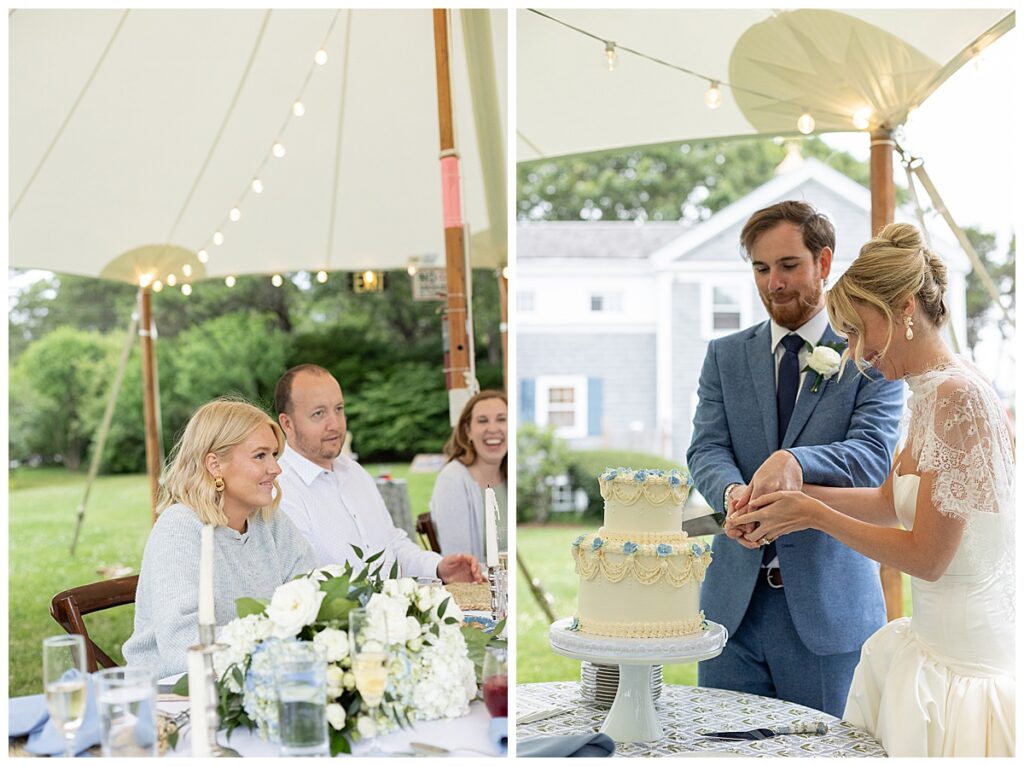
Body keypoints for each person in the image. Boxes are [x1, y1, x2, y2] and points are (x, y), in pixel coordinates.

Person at [731, 223, 1015, 756]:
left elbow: (928, 557)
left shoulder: (959, 397)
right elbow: (889, 503)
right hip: (931, 642)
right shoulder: (930, 392)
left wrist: (812, 514)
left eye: (860, 330)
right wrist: (784, 505)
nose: (858, 353)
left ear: (905, 308)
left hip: (961, 667)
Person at [686, 201, 904, 718]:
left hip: (829, 614)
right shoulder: (725, 355)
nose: (773, 284)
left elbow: (872, 458)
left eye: (788, 266)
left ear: (823, 263)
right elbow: (706, 447)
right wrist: (731, 494)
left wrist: (795, 461)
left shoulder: (869, 351)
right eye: (761, 269)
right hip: (730, 614)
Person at [124, 398, 317, 679]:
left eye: (274, 454)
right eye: (260, 456)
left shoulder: (269, 521)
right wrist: (281, 632)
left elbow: (313, 592)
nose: (276, 468)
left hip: (256, 678)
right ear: (215, 465)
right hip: (173, 695)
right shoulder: (178, 528)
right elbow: (183, 643)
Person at [274, 364, 485, 583]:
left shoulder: (354, 472)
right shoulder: (280, 491)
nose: (335, 424)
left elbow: (391, 544)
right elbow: (305, 585)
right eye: (319, 414)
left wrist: (438, 567)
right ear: (287, 424)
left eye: (339, 409)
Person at [429, 390, 508, 561]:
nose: (493, 428)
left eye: (502, 419)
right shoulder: (453, 481)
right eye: (482, 421)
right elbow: (461, 564)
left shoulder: (511, 475)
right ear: (468, 431)